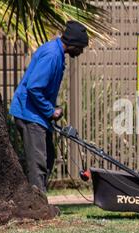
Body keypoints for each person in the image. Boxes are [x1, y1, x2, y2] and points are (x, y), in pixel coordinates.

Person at [9, 21, 89, 193]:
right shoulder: (52, 55)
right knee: (39, 162)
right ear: (73, 44)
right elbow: (34, 87)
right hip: (29, 114)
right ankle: (38, 204)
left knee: (48, 156)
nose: (81, 52)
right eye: (81, 48)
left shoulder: (57, 53)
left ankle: (37, 199)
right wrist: (50, 111)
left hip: (37, 114)